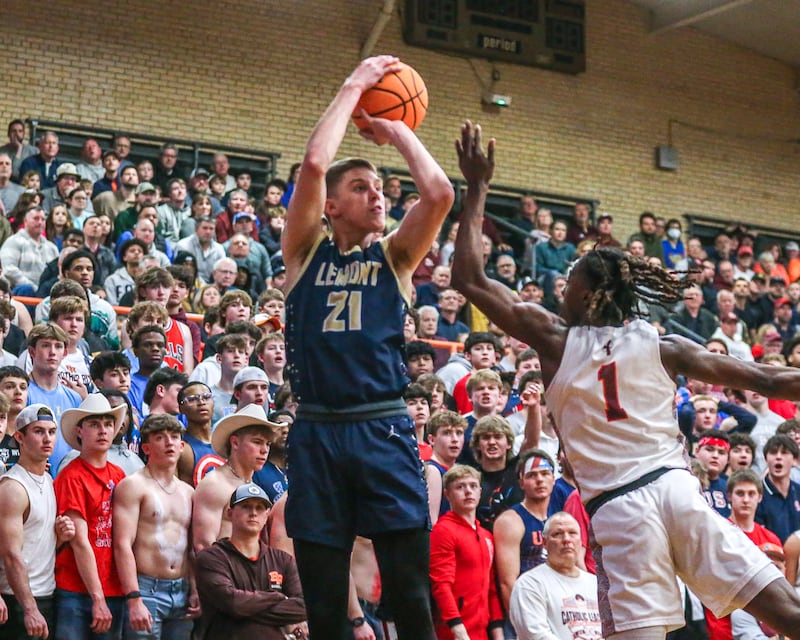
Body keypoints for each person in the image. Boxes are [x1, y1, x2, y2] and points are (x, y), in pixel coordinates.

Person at [450, 121, 800, 639]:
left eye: (568, 283)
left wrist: (477, 188)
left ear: (589, 297)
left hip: (621, 510)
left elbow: (470, 278)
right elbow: (765, 375)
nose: (559, 289)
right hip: (678, 490)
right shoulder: (665, 346)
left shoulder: (555, 340)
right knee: (787, 612)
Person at [281, 56, 454, 640]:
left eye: (381, 188)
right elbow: (312, 163)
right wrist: (355, 86)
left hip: (381, 427)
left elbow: (438, 192)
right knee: (326, 606)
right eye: (361, 187)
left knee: (410, 595)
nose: (378, 196)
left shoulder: (394, 258)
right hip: (317, 429)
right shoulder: (305, 253)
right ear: (330, 206)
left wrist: (395, 126)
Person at [112, 414, 198, 639]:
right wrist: (133, 597)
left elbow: (192, 547)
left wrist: (195, 588)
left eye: (174, 437)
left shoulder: (188, 492)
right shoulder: (133, 485)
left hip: (181, 588)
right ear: (147, 448)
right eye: (160, 437)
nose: (169, 442)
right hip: (146, 587)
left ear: (182, 446)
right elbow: (122, 545)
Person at [54, 394, 128, 640]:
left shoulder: (119, 474)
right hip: (76, 589)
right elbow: (80, 542)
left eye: (108, 424)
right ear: (79, 431)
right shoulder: (71, 475)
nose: (103, 431)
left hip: (114, 587)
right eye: (94, 425)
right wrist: (98, 598)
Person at [0, 404, 75, 640]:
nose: (47, 439)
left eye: (52, 432)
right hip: (19, 600)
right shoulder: (12, 488)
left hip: (47, 594)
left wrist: (60, 539)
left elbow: (36, 545)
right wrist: (30, 608)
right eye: (38, 431)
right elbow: (11, 555)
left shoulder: (50, 481)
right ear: (20, 437)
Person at [194, 483, 307, 640]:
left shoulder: (283, 560)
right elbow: (233, 603)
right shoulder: (211, 558)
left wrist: (244, 610)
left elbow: (303, 606)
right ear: (229, 513)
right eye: (246, 506)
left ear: (267, 515)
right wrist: (276, 597)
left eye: (259, 508)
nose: (253, 513)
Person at [429, 464, 504, 640]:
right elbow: (441, 584)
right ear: (447, 494)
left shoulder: (486, 535)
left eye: (472, 486)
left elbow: (491, 588)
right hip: (454, 632)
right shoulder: (444, 530)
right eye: (460, 487)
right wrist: (457, 627)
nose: (468, 491)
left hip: (482, 631)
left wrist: (498, 632)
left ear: (480, 491)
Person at [192, 404, 279, 551]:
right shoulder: (215, 484)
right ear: (235, 442)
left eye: (268, 444)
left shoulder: (255, 486)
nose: (264, 450)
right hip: (223, 570)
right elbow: (203, 546)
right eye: (257, 442)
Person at [509, 512, 602, 640]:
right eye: (557, 534)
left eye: (572, 533)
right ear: (545, 543)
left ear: (581, 542)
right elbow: (535, 635)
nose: (566, 539)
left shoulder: (596, 584)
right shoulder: (530, 584)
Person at [493, 449, 557, 612]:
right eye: (532, 475)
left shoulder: (558, 519)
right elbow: (507, 583)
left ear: (554, 479)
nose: (540, 480)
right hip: (527, 607)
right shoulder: (511, 521)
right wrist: (521, 625)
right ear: (521, 483)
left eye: (545, 474)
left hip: (556, 604)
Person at [25, 323, 84, 475]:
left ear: (64, 353)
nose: (52, 352)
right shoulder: (24, 393)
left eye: (57, 346)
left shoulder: (74, 397)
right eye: (45, 346)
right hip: (33, 475)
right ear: (32, 351)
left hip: (68, 479)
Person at [425, 411, 467, 525]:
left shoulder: (461, 470)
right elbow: (432, 523)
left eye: (459, 433)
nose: (454, 439)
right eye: (447, 433)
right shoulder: (432, 470)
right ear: (432, 439)